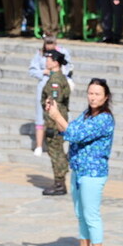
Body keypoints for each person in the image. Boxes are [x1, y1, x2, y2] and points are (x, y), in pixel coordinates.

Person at [45, 77, 115, 246]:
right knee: (81, 215)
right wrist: (55, 115)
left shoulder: (105, 119)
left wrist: (57, 115)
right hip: (78, 171)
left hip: (93, 174)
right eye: (90, 93)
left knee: (91, 216)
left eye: (97, 94)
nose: (93, 97)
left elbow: (75, 134)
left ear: (106, 97)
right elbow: (67, 130)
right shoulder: (86, 114)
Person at [29, 36, 74, 157]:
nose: (49, 45)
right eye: (47, 43)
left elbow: (68, 67)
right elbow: (32, 70)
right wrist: (43, 72)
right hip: (44, 86)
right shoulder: (40, 54)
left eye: (51, 43)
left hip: (57, 89)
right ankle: (39, 145)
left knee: (60, 117)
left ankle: (63, 147)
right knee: (41, 117)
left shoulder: (62, 53)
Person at [40, 49, 71, 196]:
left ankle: (59, 183)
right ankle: (59, 180)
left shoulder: (55, 80)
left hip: (55, 121)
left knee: (56, 151)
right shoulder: (56, 77)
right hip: (56, 119)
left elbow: (55, 104)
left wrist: (52, 125)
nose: (46, 61)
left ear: (56, 62)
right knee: (56, 150)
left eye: (49, 59)